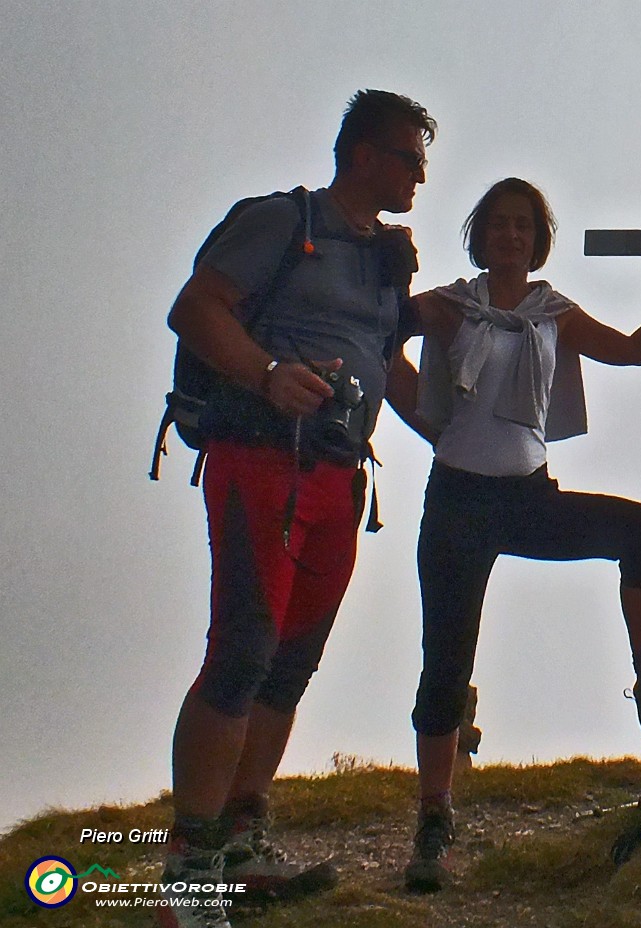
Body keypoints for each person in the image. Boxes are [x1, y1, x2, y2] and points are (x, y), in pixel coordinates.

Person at [394, 177, 641, 893]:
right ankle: (435, 821)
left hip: (528, 496)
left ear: (537, 237)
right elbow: (376, 336)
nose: (511, 236)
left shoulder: (553, 313)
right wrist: (420, 417)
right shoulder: (450, 306)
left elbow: (634, 350)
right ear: (481, 235)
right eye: (499, 224)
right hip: (458, 500)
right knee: (445, 667)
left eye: (523, 225)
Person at [160, 89, 436, 927]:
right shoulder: (283, 220)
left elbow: (396, 379)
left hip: (339, 474)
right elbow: (194, 307)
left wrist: (486, 425)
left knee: (290, 661)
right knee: (243, 648)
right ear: (361, 155)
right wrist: (267, 373)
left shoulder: (387, 262)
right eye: (407, 157)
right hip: (259, 460)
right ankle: (190, 871)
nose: (420, 174)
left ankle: (242, 839)